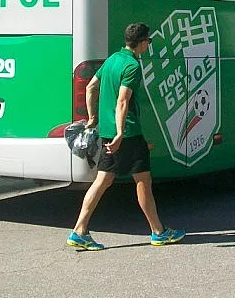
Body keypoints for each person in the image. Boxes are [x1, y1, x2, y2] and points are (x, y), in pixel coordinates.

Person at [67, 23, 185, 250]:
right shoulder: (131, 65)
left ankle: (79, 231)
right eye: (148, 41)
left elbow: (91, 87)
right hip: (128, 133)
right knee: (143, 180)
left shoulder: (112, 60)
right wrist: (121, 132)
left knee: (102, 181)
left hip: (107, 133)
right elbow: (123, 100)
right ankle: (158, 232)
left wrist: (93, 118)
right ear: (141, 42)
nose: (148, 45)